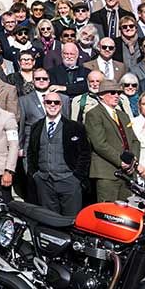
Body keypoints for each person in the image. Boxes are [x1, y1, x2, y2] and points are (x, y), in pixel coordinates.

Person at [26, 88, 89, 217]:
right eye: (49, 102)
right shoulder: (36, 127)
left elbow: (85, 153)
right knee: (49, 221)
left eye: (56, 102)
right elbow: (31, 152)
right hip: (44, 182)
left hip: (69, 181)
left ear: (61, 105)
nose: (52, 105)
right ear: (44, 104)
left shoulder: (75, 127)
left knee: (72, 220)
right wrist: (35, 175)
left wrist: (77, 177)